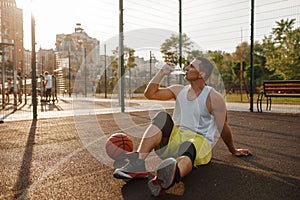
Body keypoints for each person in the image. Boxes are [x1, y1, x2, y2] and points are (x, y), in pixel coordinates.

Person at [113, 57, 252, 197]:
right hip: (174, 139)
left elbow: (223, 127)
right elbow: (150, 94)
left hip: (199, 142)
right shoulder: (179, 90)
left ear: (201, 74)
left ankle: (170, 176)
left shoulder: (214, 98)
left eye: (191, 66)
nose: (186, 67)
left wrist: (233, 150)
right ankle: (138, 163)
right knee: (162, 117)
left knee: (188, 146)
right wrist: (162, 73)